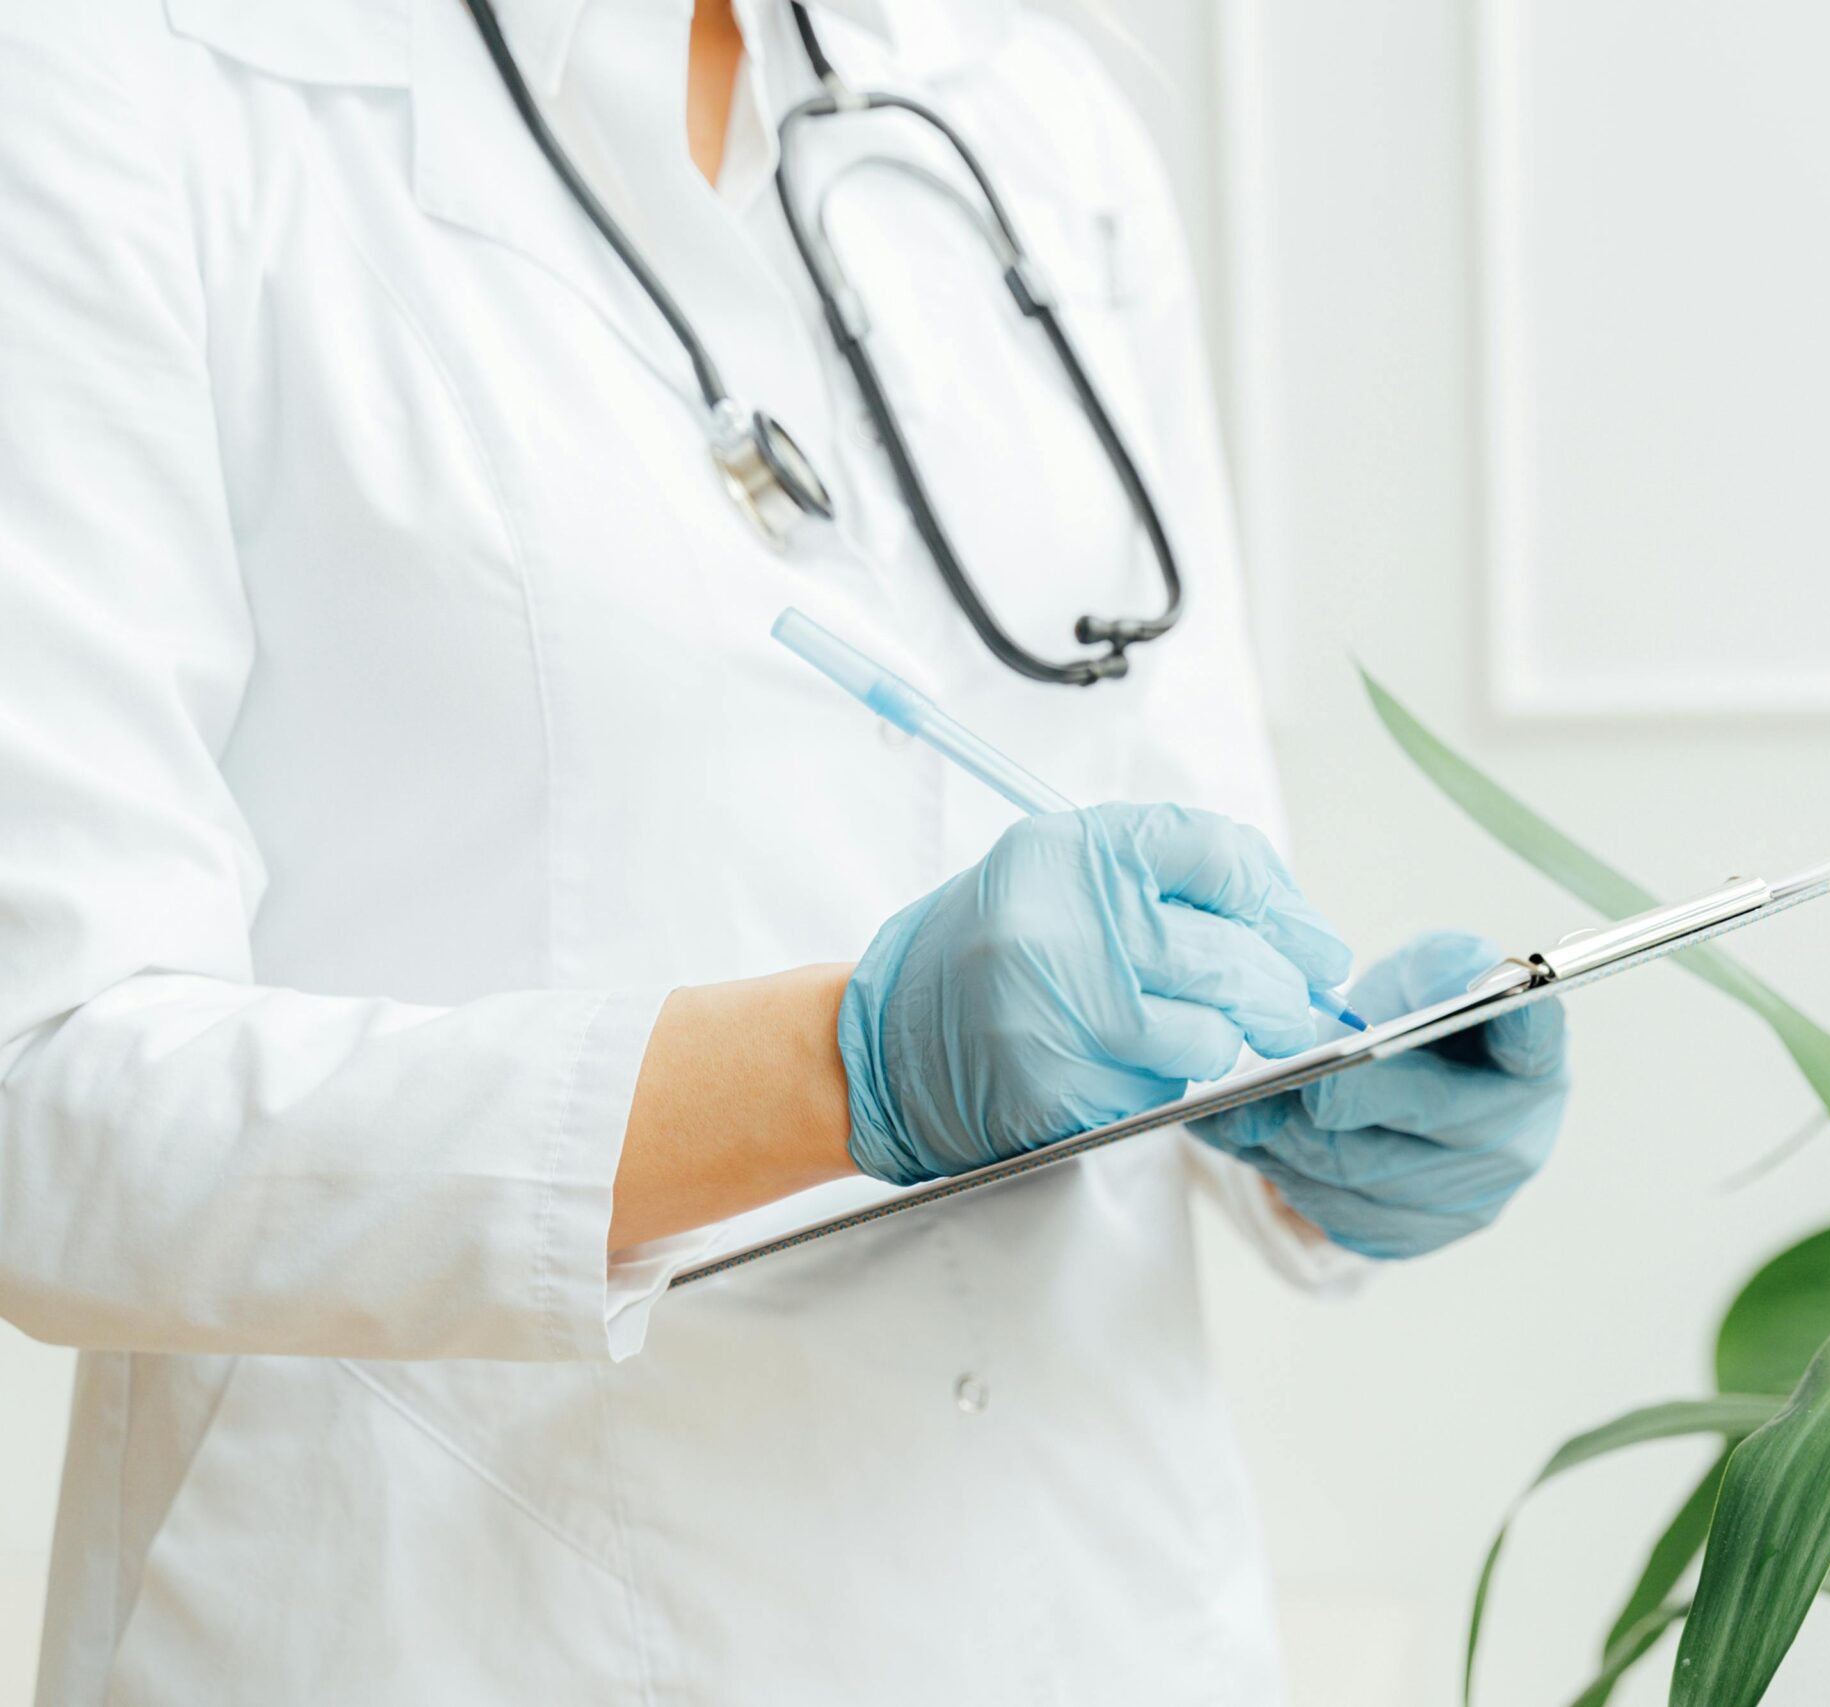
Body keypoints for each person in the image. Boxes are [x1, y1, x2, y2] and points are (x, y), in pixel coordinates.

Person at [0, 1, 1570, 1700]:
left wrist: (1325, 1096)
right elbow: (44, 1097)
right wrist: (851, 1070)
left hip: (1100, 1610)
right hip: (461, 1625)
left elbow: (1189, 867)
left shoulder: (1025, 104)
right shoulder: (111, 85)